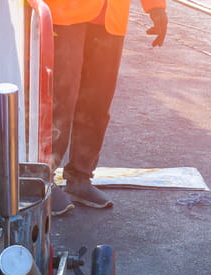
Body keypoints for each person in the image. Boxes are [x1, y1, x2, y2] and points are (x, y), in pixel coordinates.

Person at [50, 0, 168, 214]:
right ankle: (42, 179)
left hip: (110, 16)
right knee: (59, 100)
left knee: (97, 101)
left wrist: (156, 7)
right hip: (63, 12)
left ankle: (80, 178)